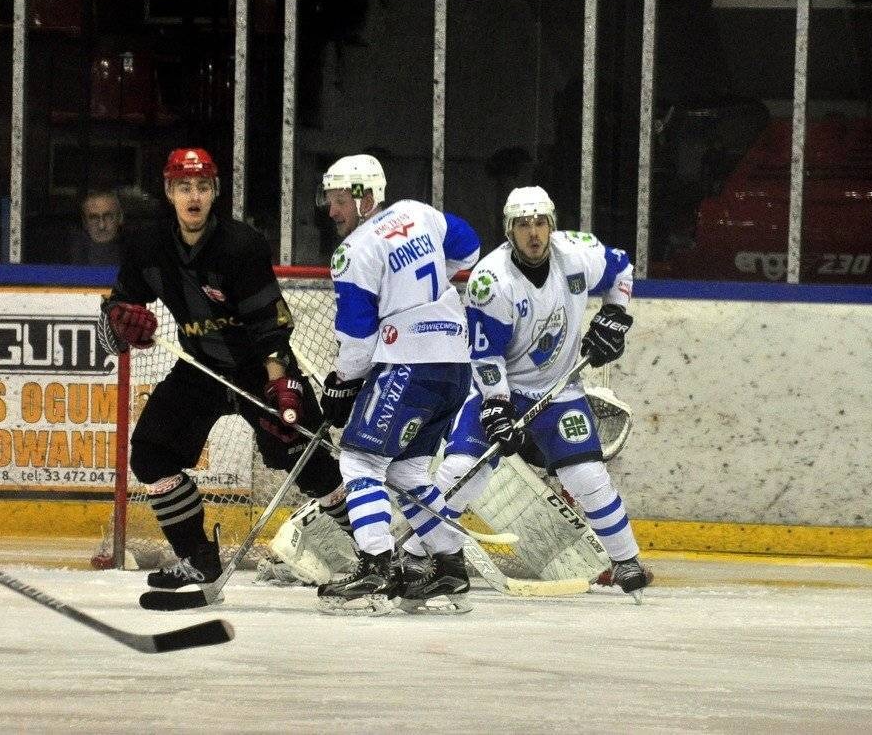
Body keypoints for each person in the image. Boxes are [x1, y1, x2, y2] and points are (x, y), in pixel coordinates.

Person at [96, 147, 356, 598]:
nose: (192, 196)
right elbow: (114, 319)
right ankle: (197, 557)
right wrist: (119, 319)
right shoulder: (147, 246)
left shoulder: (241, 245)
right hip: (202, 369)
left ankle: (376, 555)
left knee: (307, 462)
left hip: (260, 367)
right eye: (183, 187)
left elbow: (268, 326)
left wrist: (283, 387)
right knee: (149, 455)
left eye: (201, 187)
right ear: (169, 192)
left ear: (214, 192)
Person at [409, 185, 652, 601]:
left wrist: (614, 314)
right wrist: (498, 408)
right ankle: (414, 553)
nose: (534, 233)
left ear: (552, 225)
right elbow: (486, 359)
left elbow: (623, 269)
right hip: (496, 389)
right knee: (462, 472)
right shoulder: (491, 281)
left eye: (540, 223)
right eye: (523, 225)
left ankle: (626, 561)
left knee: (586, 476)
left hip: (559, 393)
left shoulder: (579, 256)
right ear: (509, 230)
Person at [314, 154, 481, 614]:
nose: (332, 211)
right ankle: (450, 566)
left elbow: (357, 339)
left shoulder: (354, 251)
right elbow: (469, 249)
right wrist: (419, 292)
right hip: (454, 364)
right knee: (407, 472)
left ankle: (375, 565)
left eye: (340, 200)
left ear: (367, 198)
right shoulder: (418, 212)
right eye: (329, 201)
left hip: (408, 363)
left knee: (359, 460)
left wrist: (342, 383)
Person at [66, 189, 123, 265]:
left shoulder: (136, 251)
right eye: (94, 218)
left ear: (120, 218)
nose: (101, 226)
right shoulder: (68, 252)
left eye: (108, 217)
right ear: (85, 222)